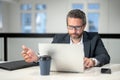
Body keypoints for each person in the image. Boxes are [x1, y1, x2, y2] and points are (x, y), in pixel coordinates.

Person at [21, 9, 110, 68]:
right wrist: (36, 58)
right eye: (70, 27)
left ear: (84, 26)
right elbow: (48, 55)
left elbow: (105, 56)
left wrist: (92, 61)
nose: (74, 31)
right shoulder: (58, 38)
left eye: (78, 27)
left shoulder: (94, 38)